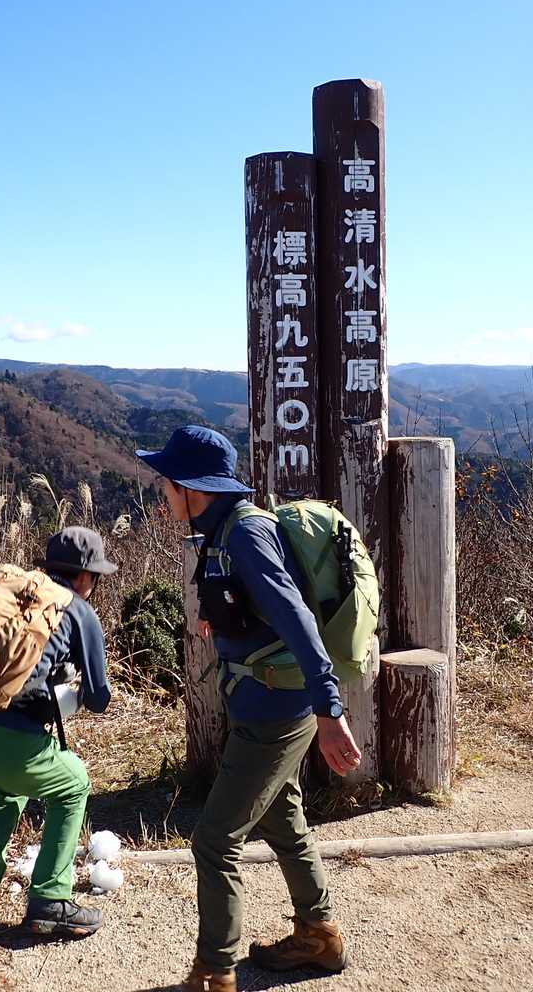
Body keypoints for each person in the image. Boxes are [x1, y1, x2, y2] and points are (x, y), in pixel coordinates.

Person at [137, 425, 359, 991]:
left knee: (215, 840)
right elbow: (251, 608)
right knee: (283, 818)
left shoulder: (245, 534)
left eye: (167, 482)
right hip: (261, 699)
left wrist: (331, 710)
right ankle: (319, 935)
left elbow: (296, 619)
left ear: (192, 488)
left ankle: (215, 973)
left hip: (276, 710)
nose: (163, 492)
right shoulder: (219, 532)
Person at [0, 526, 115, 936]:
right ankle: (51, 900)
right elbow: (99, 699)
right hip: (5, 747)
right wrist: (72, 692)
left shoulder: (14, 596)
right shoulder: (77, 609)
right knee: (74, 784)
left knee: (7, 786)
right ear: (84, 576)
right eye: (96, 577)